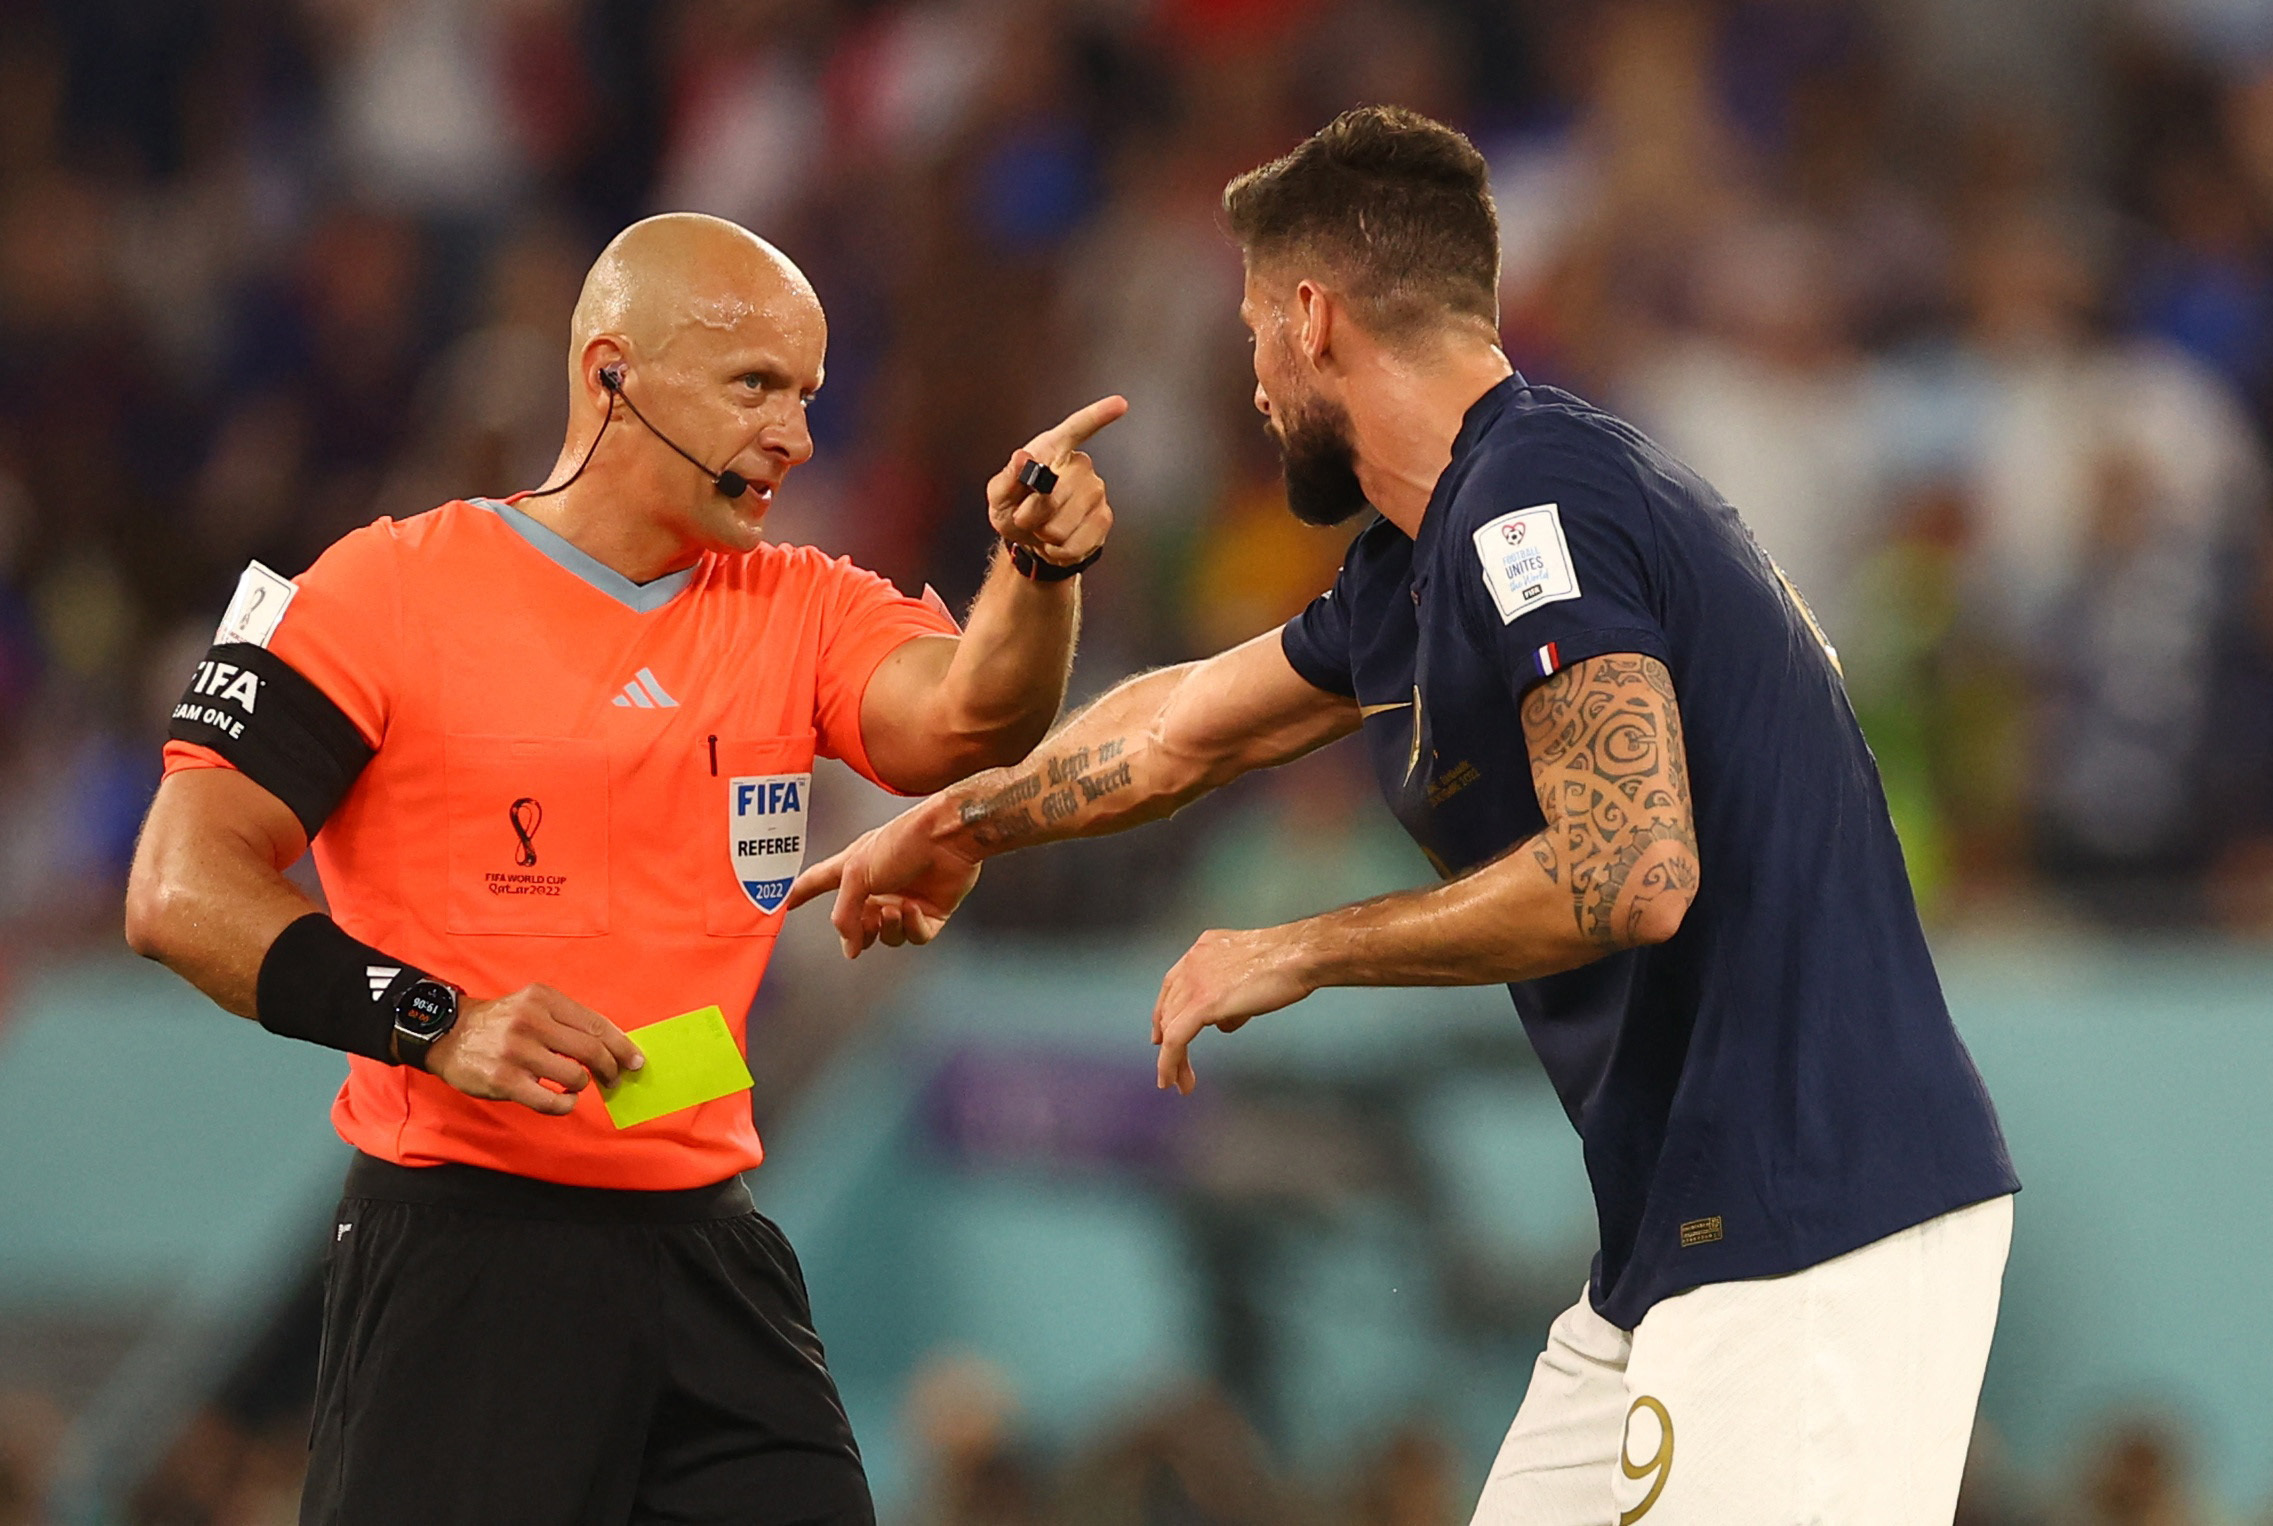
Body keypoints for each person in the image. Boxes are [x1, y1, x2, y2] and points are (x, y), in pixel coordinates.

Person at [794, 109, 2020, 1525]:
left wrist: (1305, 946)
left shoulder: (1536, 496)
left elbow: (1631, 870)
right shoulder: (1424, 562)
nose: (1248, 380)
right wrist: (961, 822)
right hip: (1673, 1244)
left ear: (1312, 316)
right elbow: (1185, 722)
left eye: (1254, 327)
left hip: (1815, 1218)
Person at [124, 211, 1125, 1526]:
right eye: (755, 384)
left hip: (707, 1246)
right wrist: (434, 1021)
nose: (797, 434)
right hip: (464, 1251)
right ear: (611, 374)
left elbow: (966, 718)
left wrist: (1037, 567)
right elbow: (178, 889)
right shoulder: (379, 591)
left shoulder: (800, 604)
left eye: (809, 394)